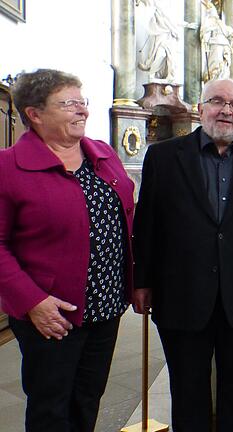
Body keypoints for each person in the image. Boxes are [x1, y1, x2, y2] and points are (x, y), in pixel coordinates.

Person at [132, 78, 233, 432]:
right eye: (217, 101)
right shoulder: (165, 156)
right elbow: (147, 220)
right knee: (188, 389)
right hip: (181, 293)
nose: (226, 111)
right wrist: (141, 281)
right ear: (200, 109)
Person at [0, 69, 135, 431]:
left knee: (87, 399)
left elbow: (126, 218)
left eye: (82, 101)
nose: (82, 111)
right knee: (51, 407)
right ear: (35, 113)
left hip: (106, 305)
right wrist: (32, 301)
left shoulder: (102, 154)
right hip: (51, 312)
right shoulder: (8, 166)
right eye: (69, 103)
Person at [137, 0, 179, 81]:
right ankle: (152, 74)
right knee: (160, 54)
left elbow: (174, 21)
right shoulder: (158, 6)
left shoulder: (168, 9)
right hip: (161, 34)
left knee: (170, 57)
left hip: (169, 36)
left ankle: (169, 75)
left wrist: (186, 25)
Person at [200, 1, 233, 83]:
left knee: (224, 65)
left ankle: (220, 80)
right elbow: (204, 32)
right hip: (216, 45)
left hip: (224, 46)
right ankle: (214, 80)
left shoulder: (220, 22)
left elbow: (227, 31)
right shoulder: (209, 21)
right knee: (216, 64)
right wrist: (205, 39)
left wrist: (232, 33)